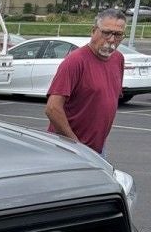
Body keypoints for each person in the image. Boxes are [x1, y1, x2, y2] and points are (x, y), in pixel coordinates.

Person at [44, 8, 126, 154]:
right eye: (106, 33)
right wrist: (76, 146)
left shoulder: (118, 59)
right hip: (68, 149)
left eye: (118, 34)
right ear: (94, 31)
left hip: (97, 148)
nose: (112, 39)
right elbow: (52, 108)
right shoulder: (75, 61)